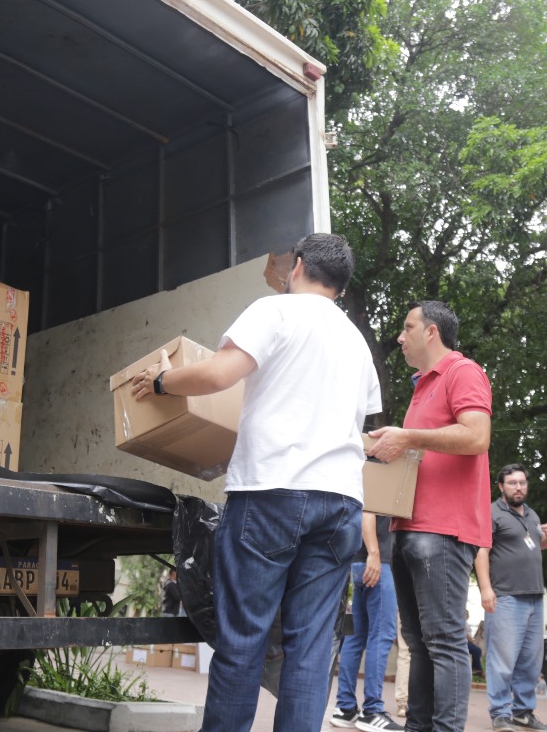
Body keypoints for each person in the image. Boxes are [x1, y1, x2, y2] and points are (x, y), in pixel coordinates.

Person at [130, 232, 381, 732]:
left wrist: (161, 380)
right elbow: (361, 427)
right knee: (309, 650)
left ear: (300, 265)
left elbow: (220, 375)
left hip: (272, 492)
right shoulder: (356, 342)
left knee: (244, 639)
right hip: (341, 504)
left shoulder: (277, 311)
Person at [366, 300, 493, 732]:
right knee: (419, 644)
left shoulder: (463, 371)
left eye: (407, 328)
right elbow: (417, 452)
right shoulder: (422, 387)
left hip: (442, 530)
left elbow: (476, 435)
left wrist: (407, 437)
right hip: (407, 528)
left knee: (443, 642)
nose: (400, 338)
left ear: (432, 332)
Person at [474, 463, 547, 732]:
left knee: (530, 661)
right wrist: (485, 589)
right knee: (502, 660)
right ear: (501, 486)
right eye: (512, 483)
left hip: (534, 595)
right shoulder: (491, 512)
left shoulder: (532, 515)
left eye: (522, 482)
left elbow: (534, 546)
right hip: (505, 596)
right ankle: (500, 713)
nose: (518, 487)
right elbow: (481, 551)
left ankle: (523, 712)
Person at [331, 512, 404, 731]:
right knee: (381, 636)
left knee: (355, 637)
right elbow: (368, 510)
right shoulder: (382, 477)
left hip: (360, 562)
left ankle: (345, 709)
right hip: (377, 563)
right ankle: (372, 710)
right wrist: (374, 553)